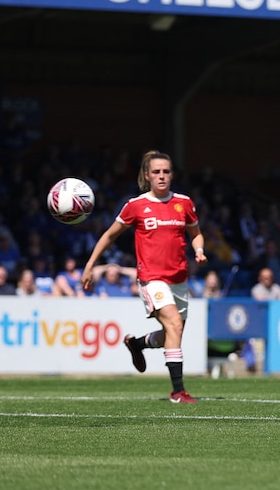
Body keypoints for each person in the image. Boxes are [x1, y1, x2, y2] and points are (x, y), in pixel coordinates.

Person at [82, 150, 207, 404]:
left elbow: (196, 233)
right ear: (147, 175)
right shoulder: (136, 205)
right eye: (157, 172)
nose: (162, 176)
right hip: (151, 278)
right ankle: (178, 391)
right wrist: (90, 265)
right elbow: (109, 235)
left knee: (173, 331)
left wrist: (199, 250)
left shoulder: (184, 203)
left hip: (179, 278)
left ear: (172, 174)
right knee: (173, 323)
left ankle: (138, 343)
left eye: (166, 172)